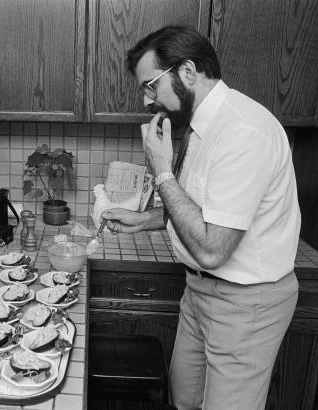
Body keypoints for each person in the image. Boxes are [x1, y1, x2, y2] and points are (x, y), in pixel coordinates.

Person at [102, 25, 300, 410]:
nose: (146, 101)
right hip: (199, 291)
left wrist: (162, 172)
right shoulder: (199, 127)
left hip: (246, 302)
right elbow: (205, 211)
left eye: (151, 86)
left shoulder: (244, 131)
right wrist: (148, 220)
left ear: (188, 72)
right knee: (185, 399)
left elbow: (212, 249)